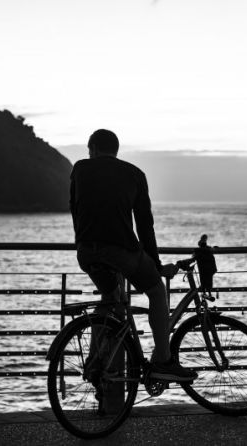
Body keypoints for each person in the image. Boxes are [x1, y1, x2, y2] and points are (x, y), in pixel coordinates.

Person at [70, 129, 197, 382]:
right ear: (115, 149)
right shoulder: (135, 174)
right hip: (121, 251)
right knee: (157, 292)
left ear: (93, 148)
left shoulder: (80, 169)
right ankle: (163, 360)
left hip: (86, 251)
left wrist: (83, 242)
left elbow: (75, 210)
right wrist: (156, 264)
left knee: (109, 297)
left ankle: (96, 360)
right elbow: (144, 225)